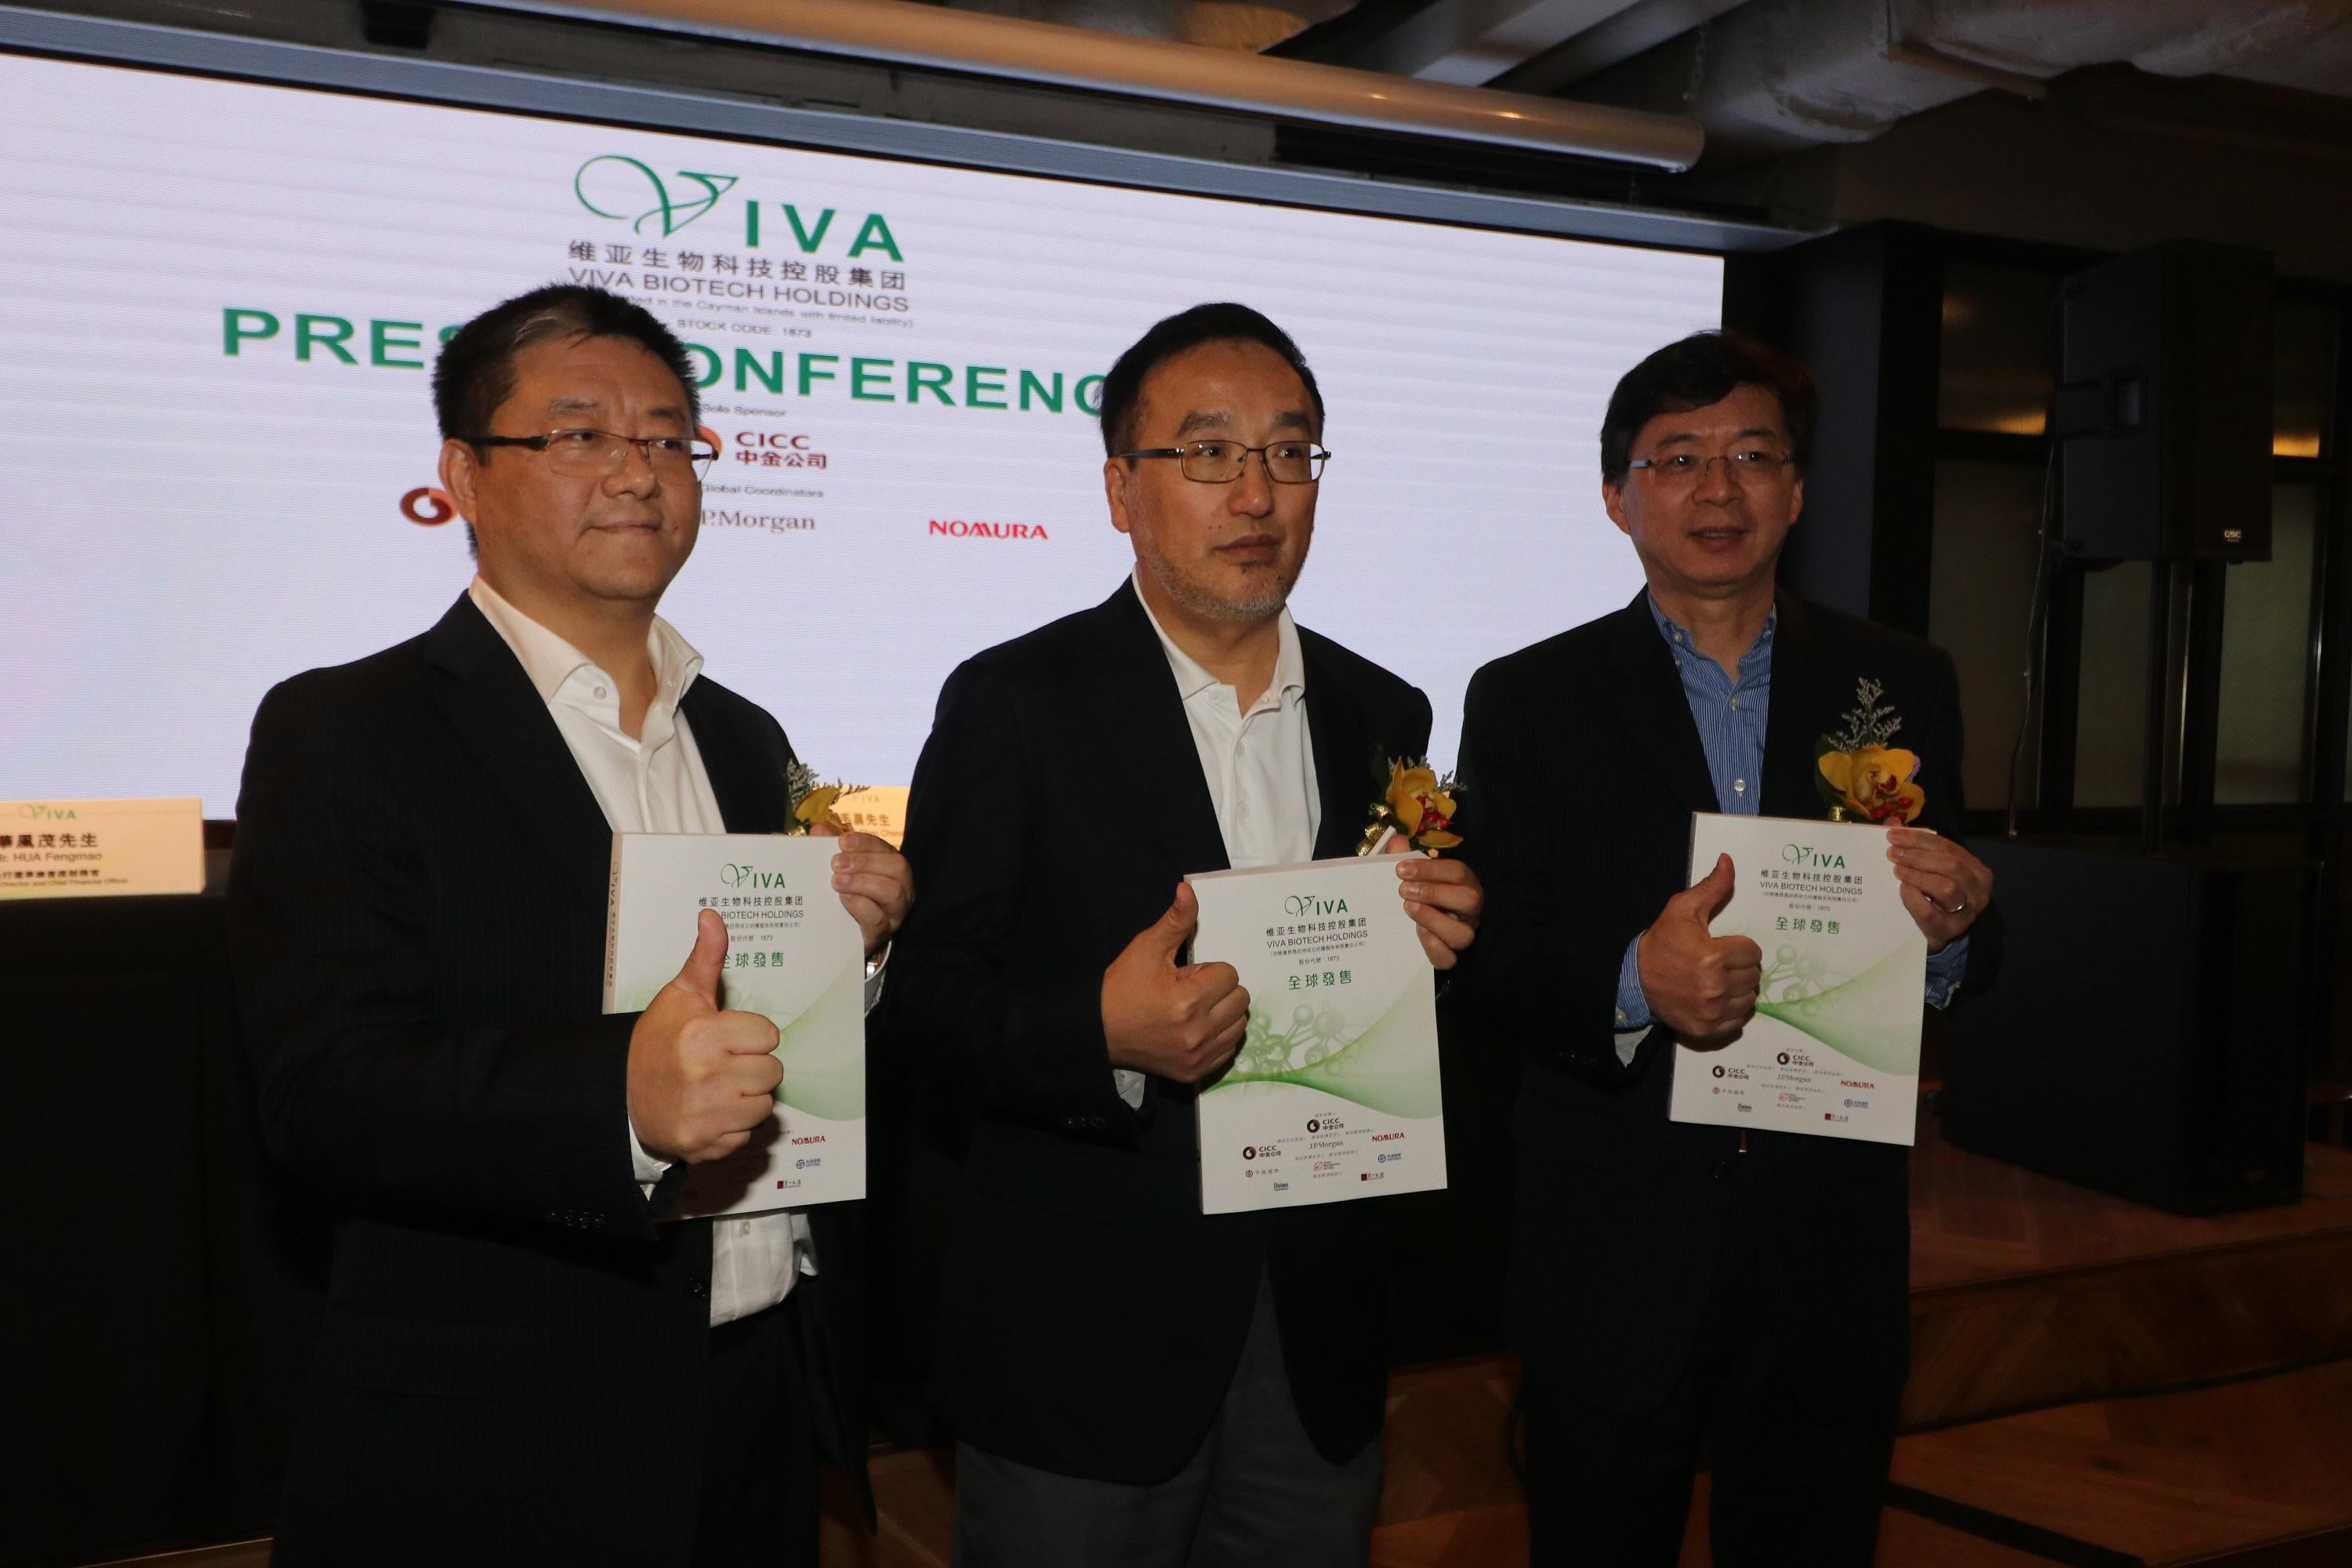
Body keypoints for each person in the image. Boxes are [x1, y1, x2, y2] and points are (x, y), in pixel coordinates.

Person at [227, 283, 912, 1567]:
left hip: (760, 1397)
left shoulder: (744, 736)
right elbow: (323, 1090)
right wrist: (620, 1099)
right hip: (504, 1431)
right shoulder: (351, 729)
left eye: (666, 438)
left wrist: (853, 954)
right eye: (580, 434)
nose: (637, 472)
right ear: (463, 476)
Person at [886, 303, 1483, 1566]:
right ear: (1122, 489)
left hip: (1316, 1327)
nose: (1256, 493)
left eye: (1290, 452)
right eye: (1209, 453)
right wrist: (1099, 1033)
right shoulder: (1015, 701)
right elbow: (925, 1000)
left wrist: (1434, 953)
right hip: (1083, 1343)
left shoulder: (1384, 708)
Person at [1455, 330, 1998, 1567]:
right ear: (1617, 496)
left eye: (1753, 456)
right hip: (1615, 1248)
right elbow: (1495, 961)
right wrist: (1633, 983)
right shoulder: (1528, 697)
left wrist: (1957, 929)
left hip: (1829, 1250)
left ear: (1795, 491)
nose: (1719, 488)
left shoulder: (1900, 679)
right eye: (1679, 458)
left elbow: (1967, 927)